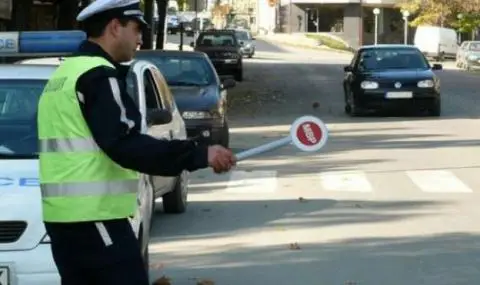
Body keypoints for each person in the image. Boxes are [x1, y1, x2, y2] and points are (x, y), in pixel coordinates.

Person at [37, 0, 236, 284]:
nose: (140, 39)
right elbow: (126, 144)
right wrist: (199, 155)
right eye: (136, 29)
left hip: (67, 221)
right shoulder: (98, 76)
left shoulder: (64, 75)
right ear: (115, 27)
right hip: (95, 218)